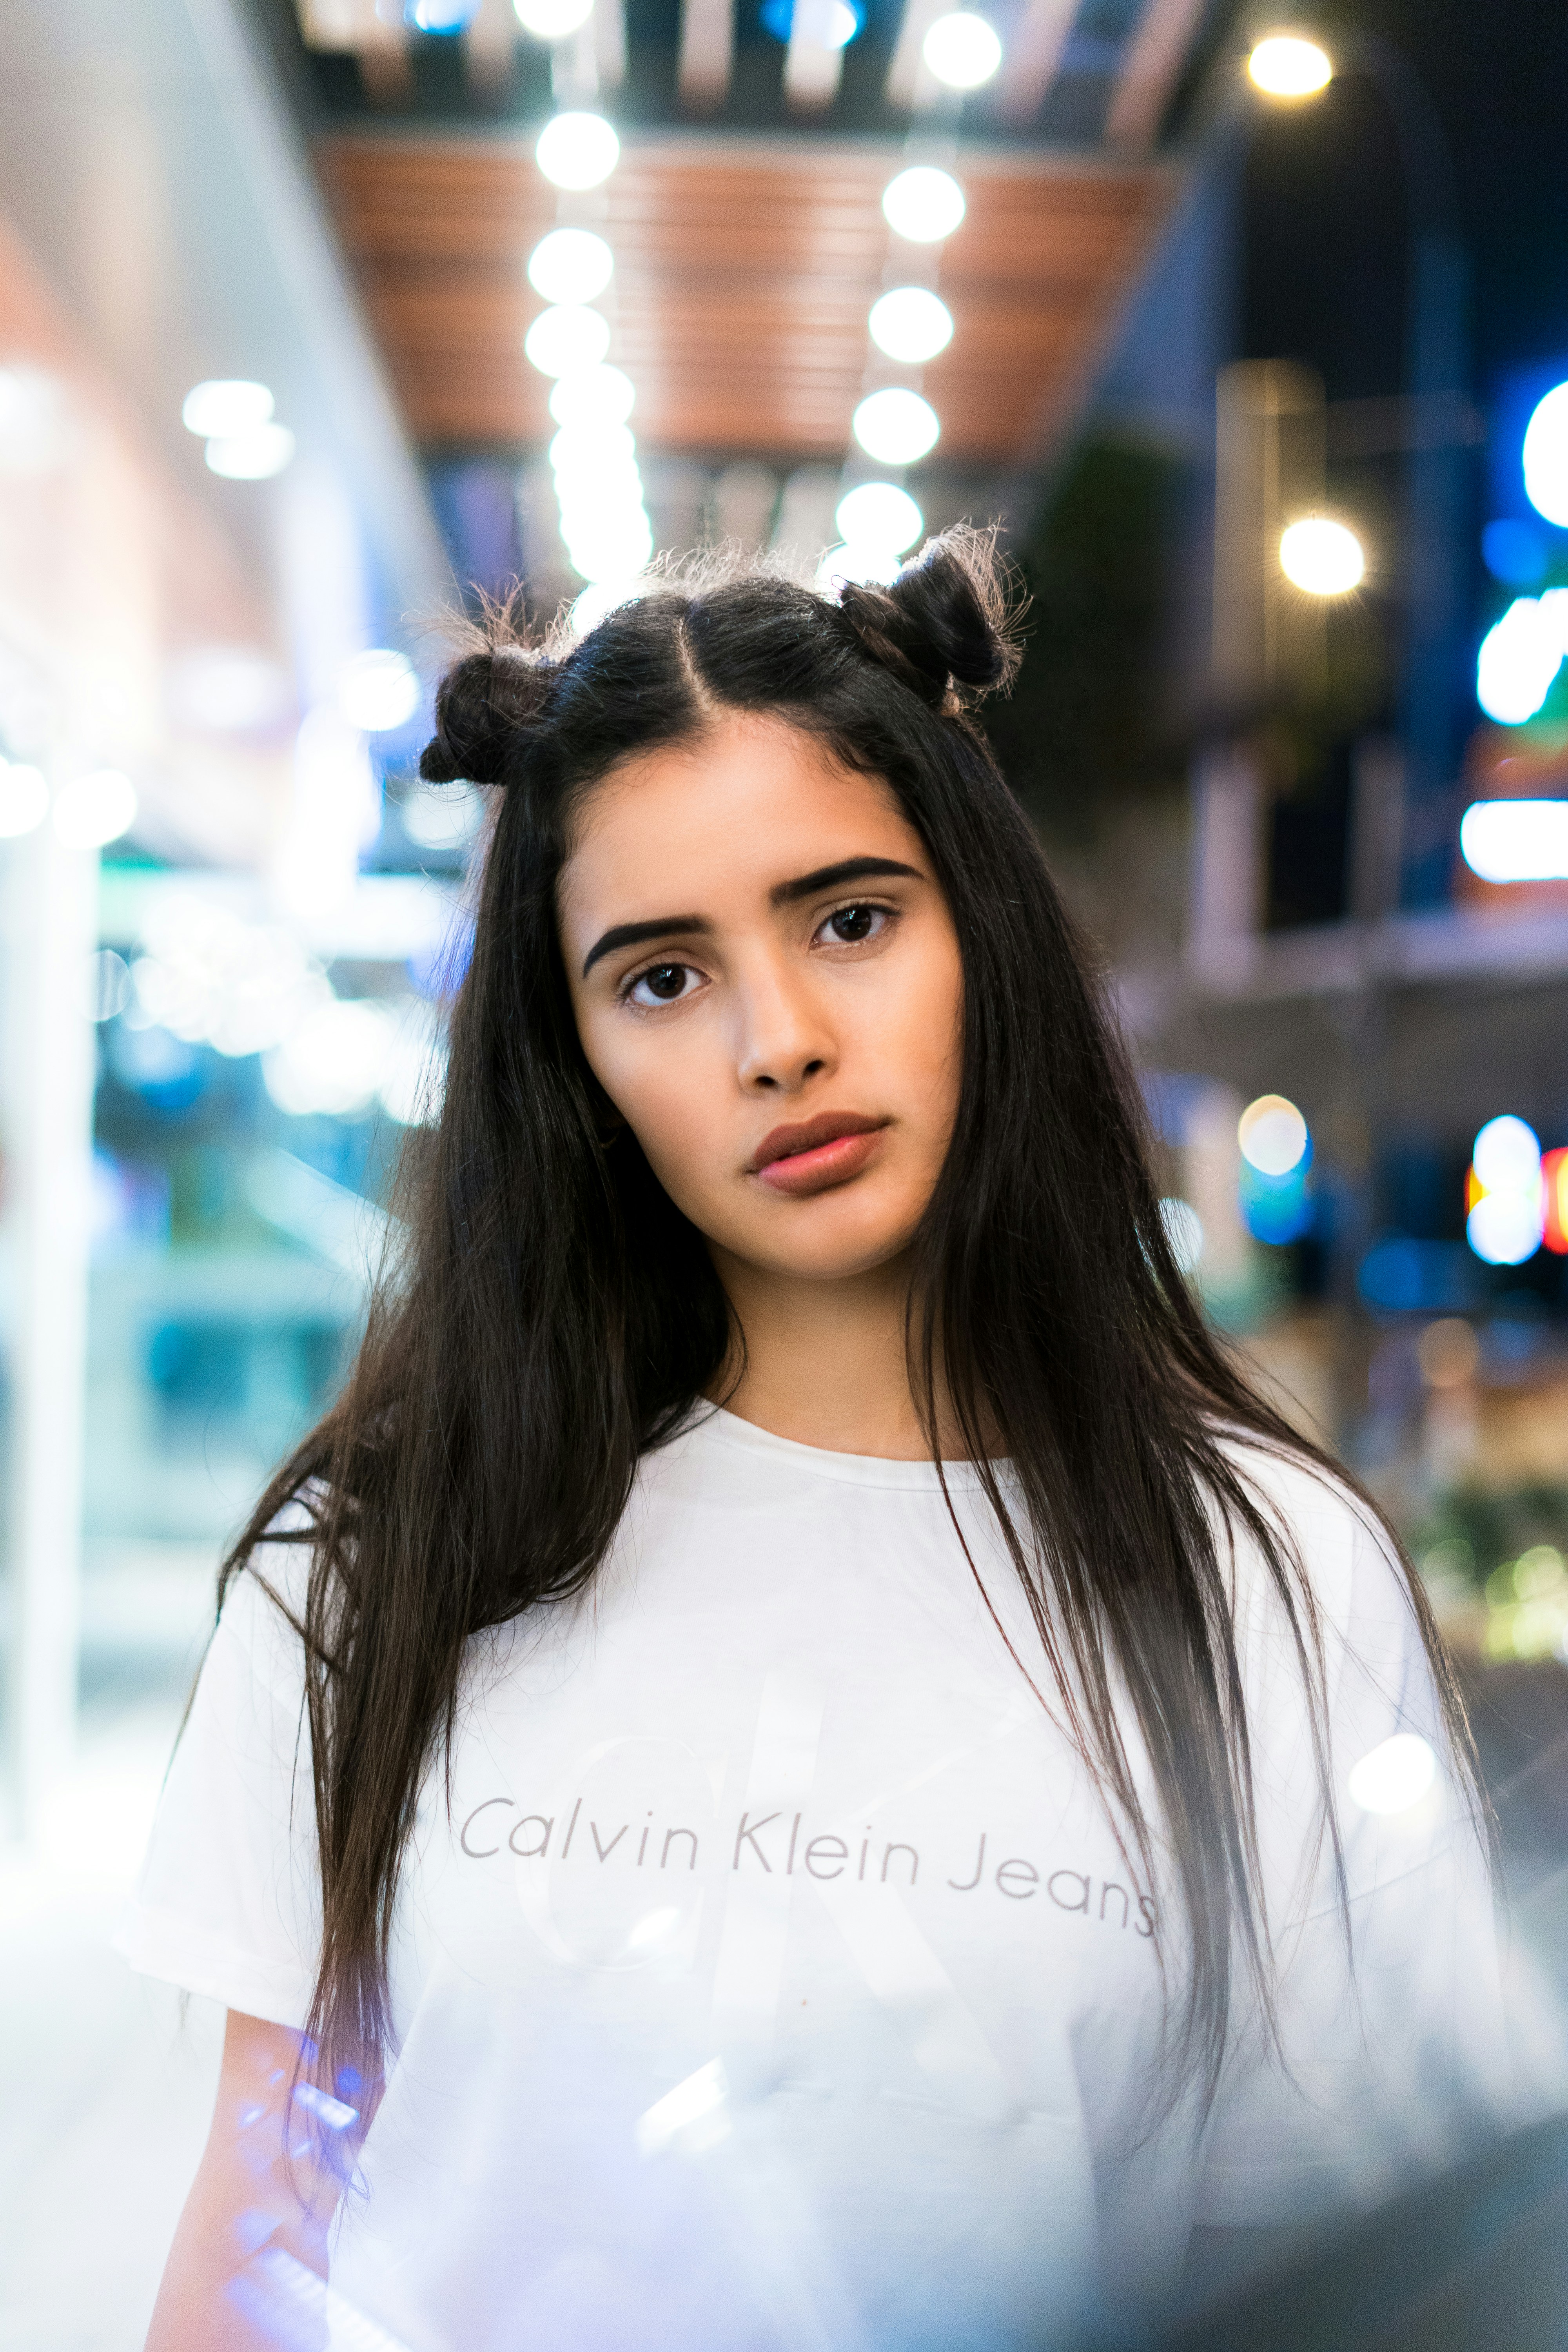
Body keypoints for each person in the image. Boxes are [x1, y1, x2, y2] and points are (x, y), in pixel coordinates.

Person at [122, 533, 1517, 2352]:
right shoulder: (382, 1559)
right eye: (660, 977)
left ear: (980, 932)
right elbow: (254, 2249)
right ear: (571, 1059)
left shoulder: (1264, 1574)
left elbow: (1347, 2298)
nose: (777, 1043)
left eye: (849, 920)